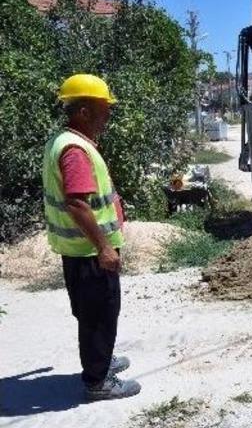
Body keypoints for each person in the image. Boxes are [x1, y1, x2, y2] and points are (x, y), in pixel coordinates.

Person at [42, 74, 141, 400]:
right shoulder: (75, 150)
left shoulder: (63, 141)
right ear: (83, 111)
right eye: (103, 108)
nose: (108, 115)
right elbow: (77, 203)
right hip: (89, 251)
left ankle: (101, 360)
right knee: (100, 314)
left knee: (93, 312)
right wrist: (103, 247)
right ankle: (98, 382)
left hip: (79, 250)